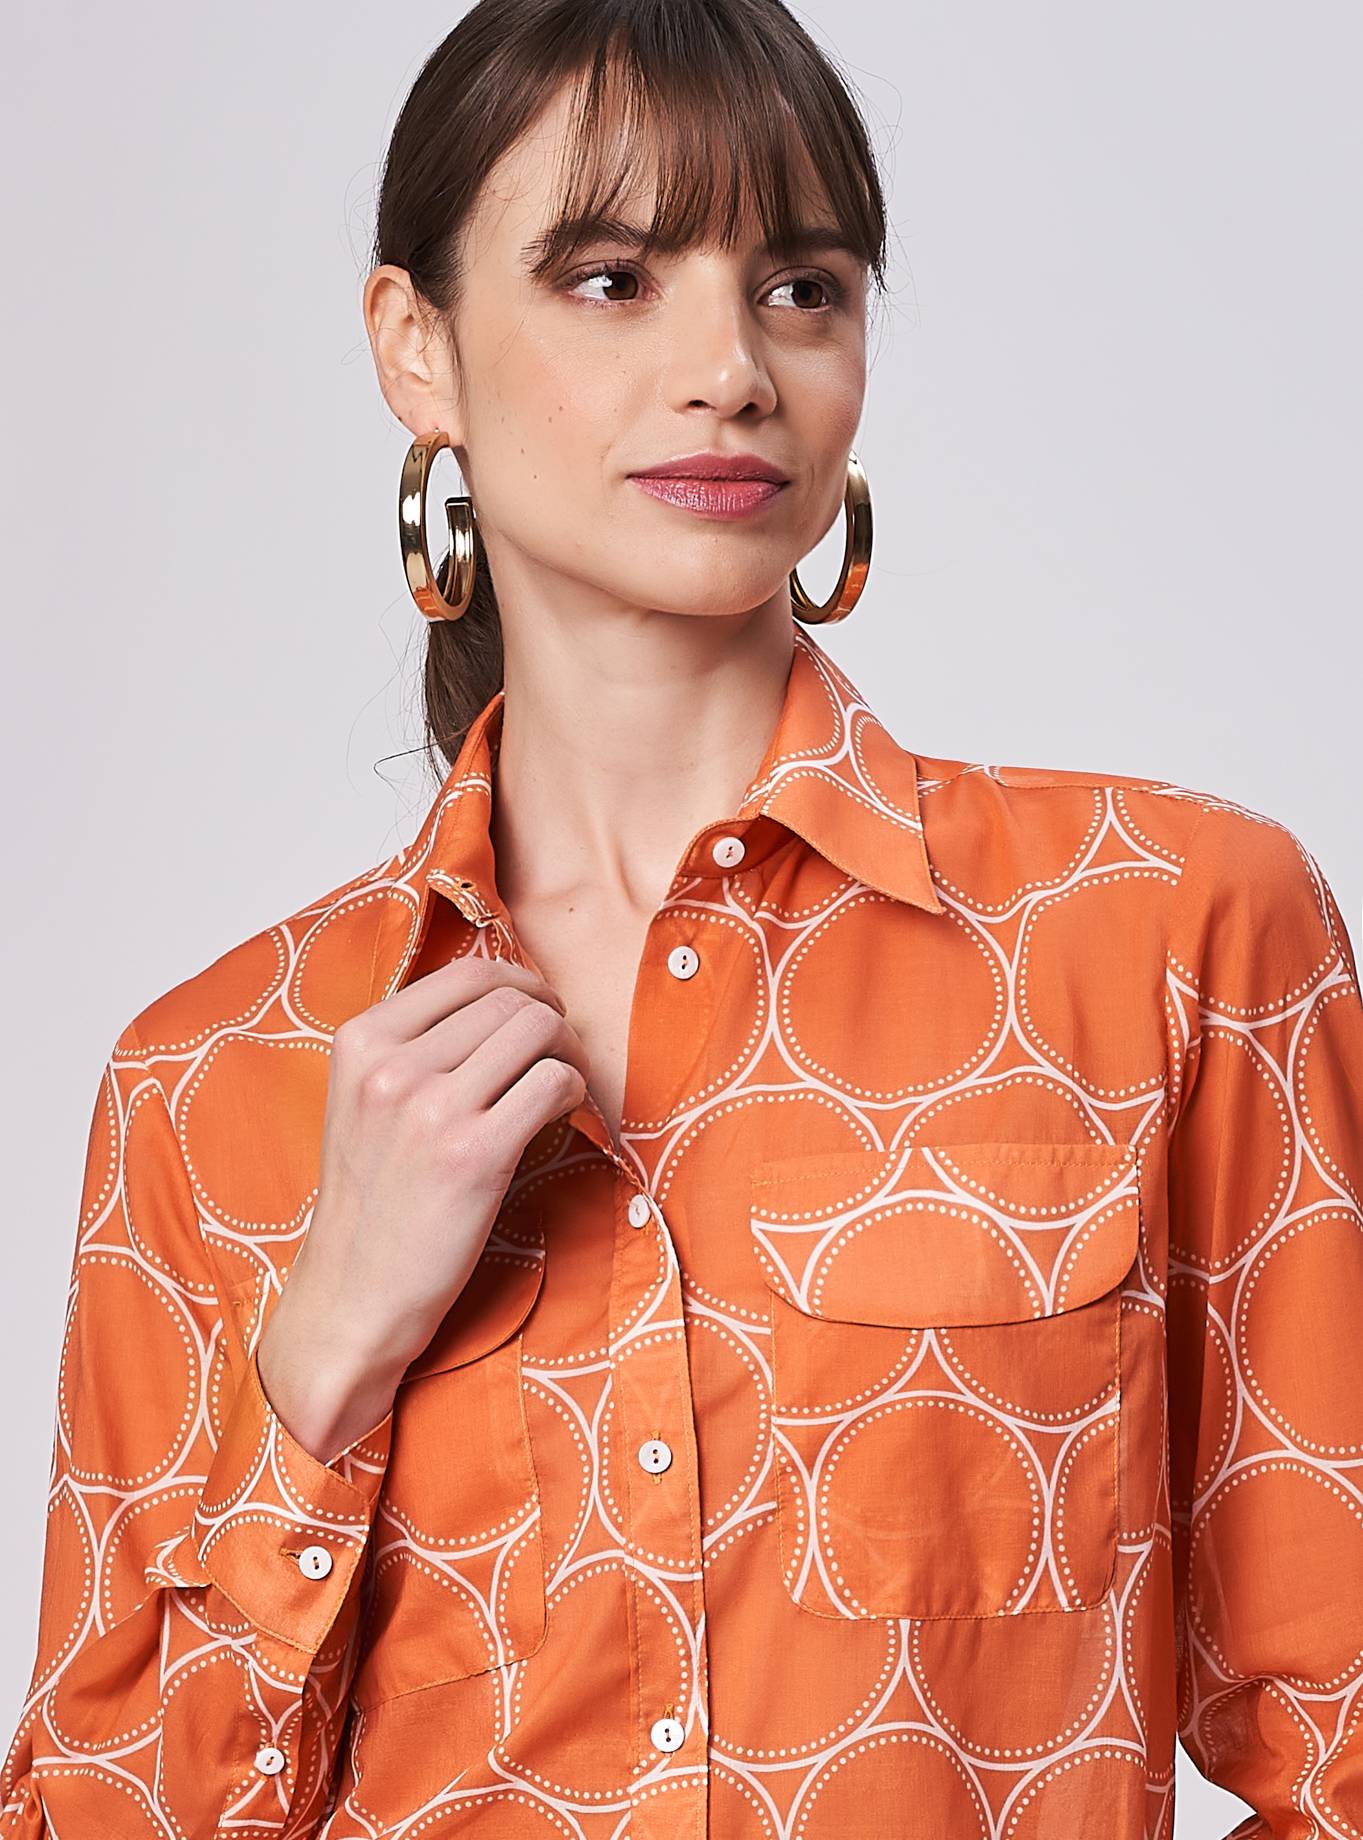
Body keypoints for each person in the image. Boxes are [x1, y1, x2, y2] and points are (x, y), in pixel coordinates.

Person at [4, 2, 1361, 1836]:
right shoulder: (207, 1088)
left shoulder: (1167, 937)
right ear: (417, 346)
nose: (729, 369)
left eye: (800, 287)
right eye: (612, 278)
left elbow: (1345, 1734)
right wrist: (321, 1356)